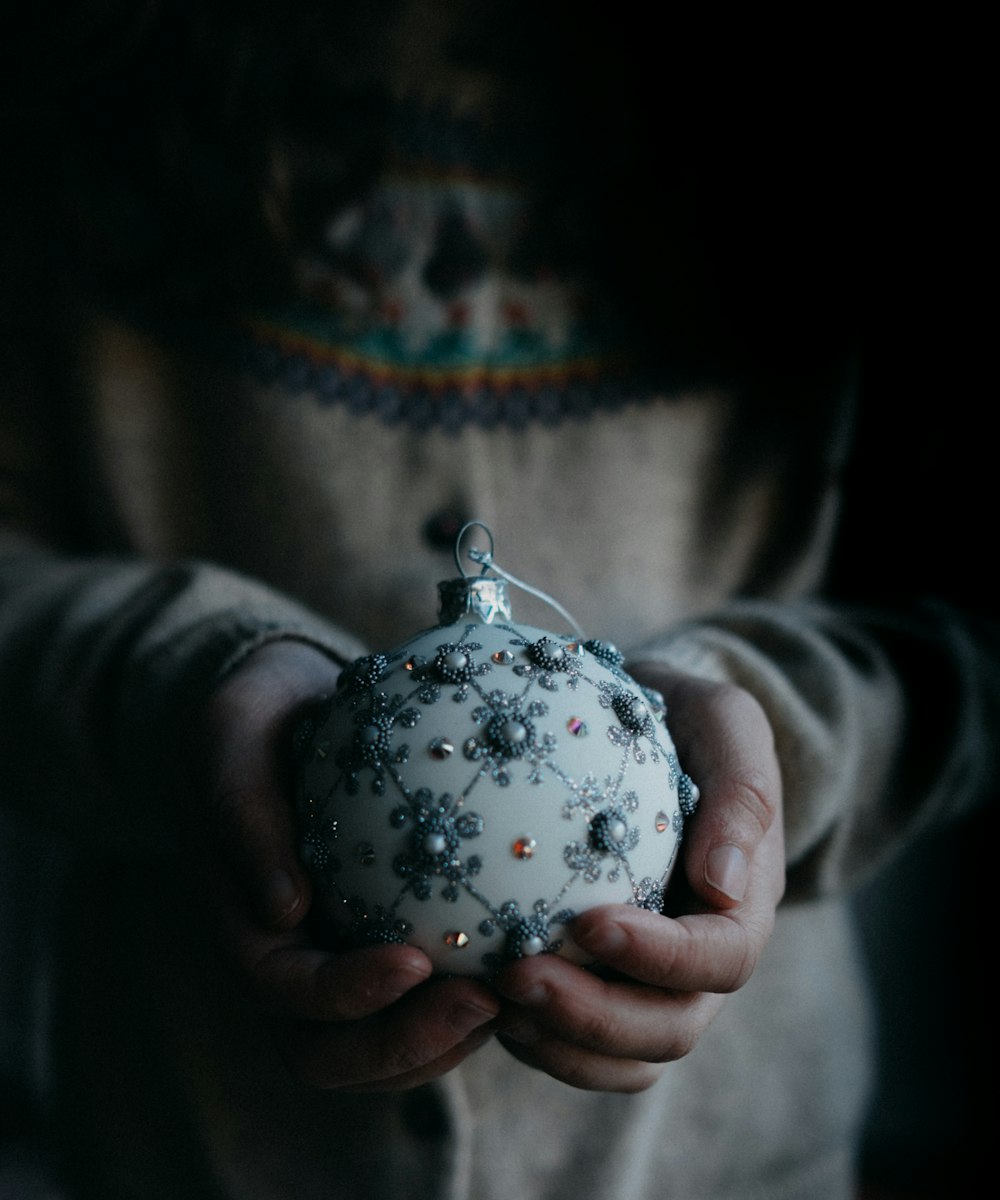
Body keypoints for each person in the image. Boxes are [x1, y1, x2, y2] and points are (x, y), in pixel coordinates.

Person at [1, 3, 994, 1198]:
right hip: (197, 1144)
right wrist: (175, 684)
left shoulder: (859, 124)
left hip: (719, 1157)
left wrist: (775, 730)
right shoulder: (65, 75)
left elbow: (963, 630)